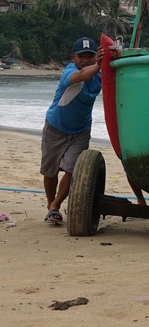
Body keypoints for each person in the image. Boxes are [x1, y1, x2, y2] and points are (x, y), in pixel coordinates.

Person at [40, 37, 104, 224]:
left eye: (90, 56)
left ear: (95, 57)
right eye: (81, 56)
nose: (85, 59)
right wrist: (98, 66)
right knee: (50, 171)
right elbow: (80, 76)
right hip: (55, 127)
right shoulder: (69, 71)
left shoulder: (99, 73)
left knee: (72, 170)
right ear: (73, 57)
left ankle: (55, 206)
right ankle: (50, 204)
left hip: (81, 129)